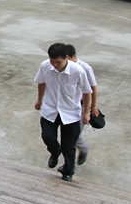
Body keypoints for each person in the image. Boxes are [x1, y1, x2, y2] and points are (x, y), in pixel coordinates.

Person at [34, 43, 91, 183]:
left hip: (70, 113)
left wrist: (86, 112)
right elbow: (41, 82)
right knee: (47, 137)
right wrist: (39, 99)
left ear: (66, 58)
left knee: (69, 146)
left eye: (58, 62)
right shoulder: (45, 66)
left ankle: (68, 171)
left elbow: (87, 92)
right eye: (52, 61)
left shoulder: (78, 71)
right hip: (50, 110)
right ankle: (55, 151)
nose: (55, 65)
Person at [66, 44, 99, 166]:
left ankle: (83, 150)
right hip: (68, 104)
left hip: (81, 105)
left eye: (68, 60)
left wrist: (93, 107)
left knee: (74, 135)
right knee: (68, 134)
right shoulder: (63, 67)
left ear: (74, 57)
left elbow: (93, 88)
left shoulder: (85, 68)